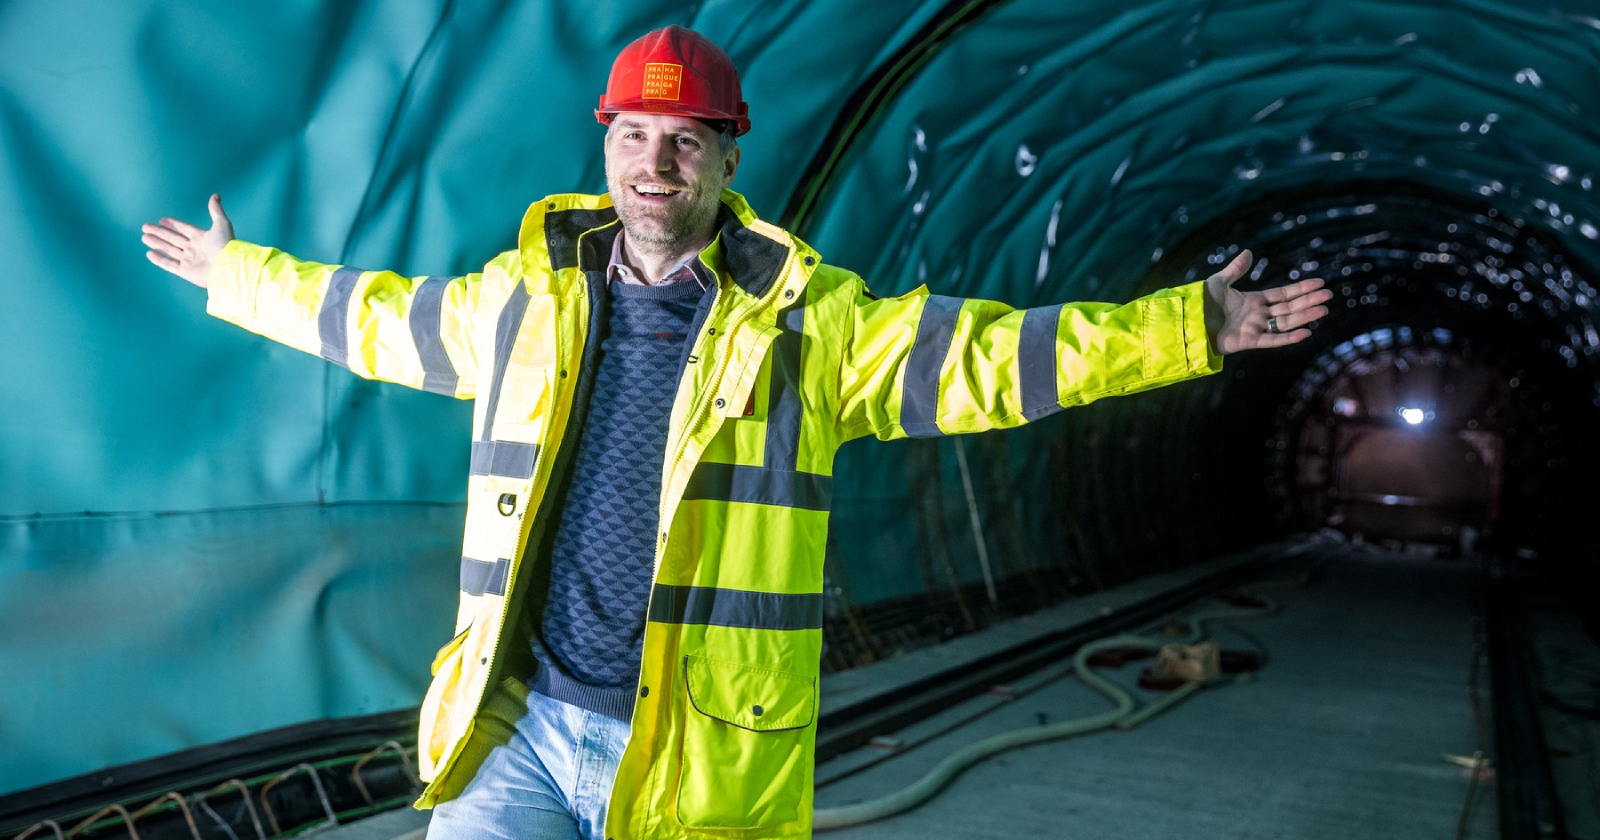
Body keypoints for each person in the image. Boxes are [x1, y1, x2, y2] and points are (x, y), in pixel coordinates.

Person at [141, 24, 1330, 840]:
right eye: (632, 135)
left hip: (694, 749)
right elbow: (369, 317)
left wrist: (1191, 327)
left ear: (725, 157)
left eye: (683, 140)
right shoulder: (522, 304)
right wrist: (236, 274)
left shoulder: (811, 328)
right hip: (518, 727)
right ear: (604, 146)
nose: (653, 163)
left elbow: (996, 359)